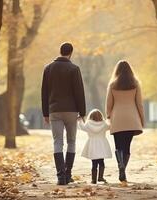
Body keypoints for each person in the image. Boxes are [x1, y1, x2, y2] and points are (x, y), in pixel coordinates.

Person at [41, 42, 86, 185]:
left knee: (57, 142)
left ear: (60, 51)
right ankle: (68, 174)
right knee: (71, 142)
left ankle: (61, 177)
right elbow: (79, 91)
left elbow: (44, 92)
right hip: (72, 111)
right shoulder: (74, 69)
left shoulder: (48, 69)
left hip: (54, 110)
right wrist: (83, 112)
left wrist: (45, 113)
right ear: (71, 53)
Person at [105, 60, 145, 183]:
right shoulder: (136, 84)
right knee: (127, 146)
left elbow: (108, 104)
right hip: (131, 119)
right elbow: (139, 104)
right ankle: (123, 169)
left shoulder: (112, 85)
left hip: (117, 118)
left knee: (118, 146)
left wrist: (108, 115)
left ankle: (120, 165)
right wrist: (142, 119)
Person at [78, 109, 112, 184]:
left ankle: (94, 179)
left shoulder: (88, 124)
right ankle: (100, 177)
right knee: (101, 162)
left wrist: (80, 120)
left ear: (90, 117)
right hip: (102, 145)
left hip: (92, 145)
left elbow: (82, 127)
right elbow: (110, 126)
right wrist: (109, 119)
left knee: (94, 164)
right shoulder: (104, 124)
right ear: (101, 117)